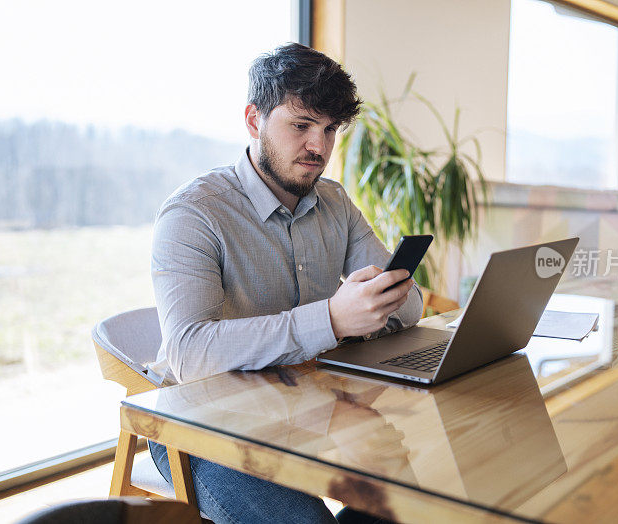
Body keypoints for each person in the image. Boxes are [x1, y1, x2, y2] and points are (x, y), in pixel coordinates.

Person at [147, 42, 423, 523]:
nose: (319, 147)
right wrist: (333, 319)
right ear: (254, 120)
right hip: (205, 424)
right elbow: (189, 353)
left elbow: (412, 304)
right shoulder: (194, 213)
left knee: (406, 494)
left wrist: (375, 306)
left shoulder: (335, 203)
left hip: (309, 400)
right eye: (301, 125)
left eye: (330, 129)